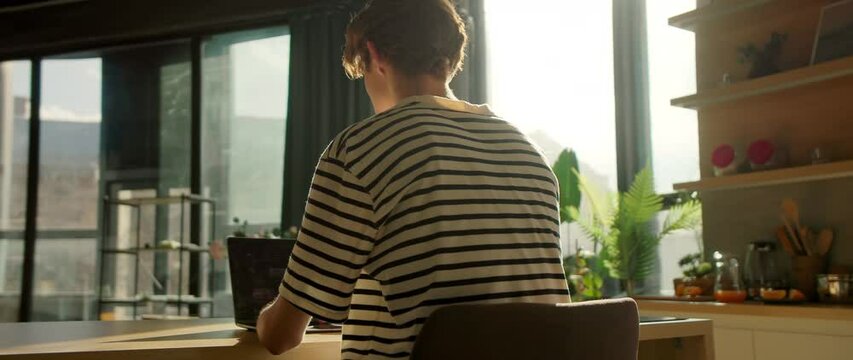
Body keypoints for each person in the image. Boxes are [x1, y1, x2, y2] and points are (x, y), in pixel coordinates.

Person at [257, 0, 570, 358]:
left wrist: (264, 317)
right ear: (452, 58)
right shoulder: (528, 152)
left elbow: (282, 336)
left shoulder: (358, 151)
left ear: (374, 55)